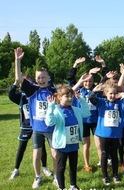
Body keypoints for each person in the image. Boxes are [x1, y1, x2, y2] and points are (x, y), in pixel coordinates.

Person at [14, 47, 58, 188]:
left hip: (52, 128)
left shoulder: (53, 90)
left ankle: (56, 177)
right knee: (36, 155)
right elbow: (18, 78)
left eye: (43, 77)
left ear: (49, 78)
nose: (41, 79)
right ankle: (38, 177)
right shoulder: (32, 90)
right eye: (38, 77)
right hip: (38, 129)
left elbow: (67, 93)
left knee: (55, 155)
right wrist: (17, 61)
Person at [45, 84, 91, 190]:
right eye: (67, 96)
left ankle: (73, 185)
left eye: (71, 96)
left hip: (73, 144)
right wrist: (51, 106)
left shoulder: (75, 110)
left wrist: (82, 100)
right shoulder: (57, 110)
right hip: (62, 145)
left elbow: (87, 112)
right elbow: (49, 122)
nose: (70, 98)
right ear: (60, 97)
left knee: (73, 167)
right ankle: (61, 187)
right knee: (61, 167)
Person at [89, 82, 124, 186]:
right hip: (104, 134)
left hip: (115, 134)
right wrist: (94, 91)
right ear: (105, 94)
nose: (112, 96)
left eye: (114, 93)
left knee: (114, 155)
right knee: (104, 155)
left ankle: (115, 175)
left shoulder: (120, 104)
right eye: (110, 94)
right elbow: (92, 99)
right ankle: (105, 176)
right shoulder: (101, 102)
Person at [8, 78, 52, 180]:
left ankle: (44, 167)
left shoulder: (37, 94)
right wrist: (16, 82)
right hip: (26, 126)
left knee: (42, 148)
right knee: (21, 147)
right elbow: (11, 94)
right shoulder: (21, 96)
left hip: (38, 125)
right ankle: (16, 169)